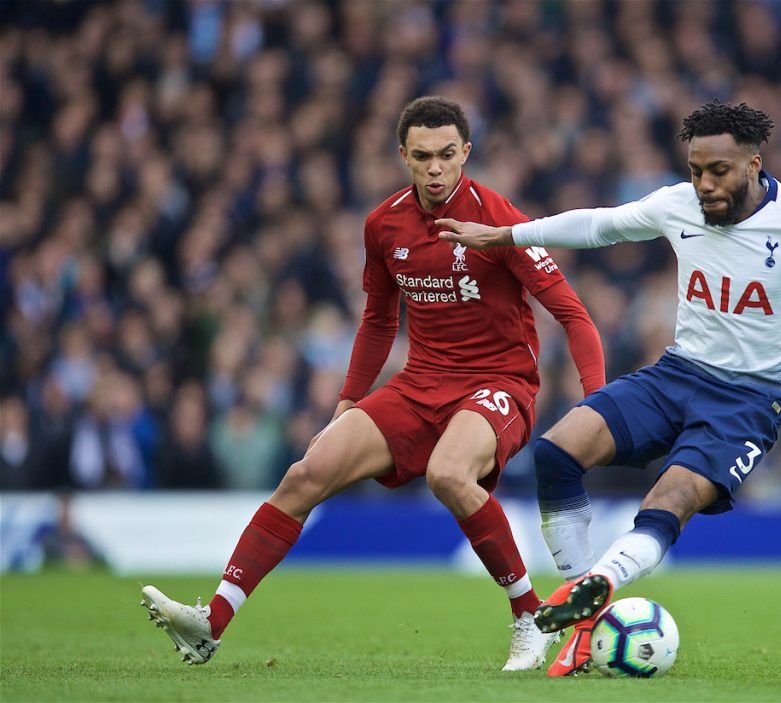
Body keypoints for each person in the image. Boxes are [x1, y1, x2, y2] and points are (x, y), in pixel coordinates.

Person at [438, 100, 781, 676]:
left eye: (718, 171)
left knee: (668, 500)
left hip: (748, 401)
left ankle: (600, 585)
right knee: (556, 452)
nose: (703, 184)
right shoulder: (678, 204)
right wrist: (504, 235)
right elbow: (598, 224)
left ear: (754, 164)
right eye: (695, 170)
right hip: (676, 374)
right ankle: (585, 615)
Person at [141, 96, 606, 671]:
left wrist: (595, 398)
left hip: (499, 384)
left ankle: (529, 618)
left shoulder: (500, 220)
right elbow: (379, 320)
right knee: (305, 474)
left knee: (448, 474)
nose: (434, 169)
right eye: (421, 157)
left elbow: (575, 315)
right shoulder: (383, 225)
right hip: (418, 385)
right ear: (402, 156)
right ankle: (211, 622)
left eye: (445, 155)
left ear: (466, 152)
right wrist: (347, 402)